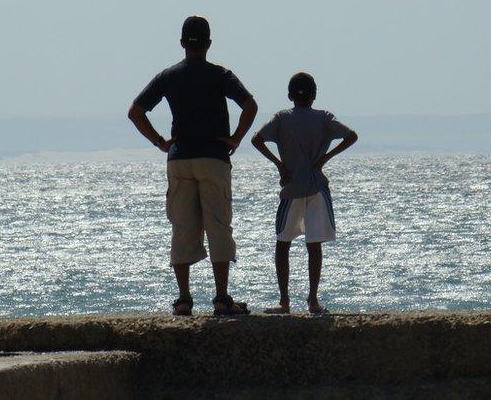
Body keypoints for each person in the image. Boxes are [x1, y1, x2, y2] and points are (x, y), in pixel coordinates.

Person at [128, 16, 258, 316]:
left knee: (183, 227)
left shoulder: (169, 76)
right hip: (213, 156)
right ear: (209, 43)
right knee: (219, 225)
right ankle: (222, 298)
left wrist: (161, 141)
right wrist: (236, 138)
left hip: (180, 157)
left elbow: (135, 111)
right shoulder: (220, 75)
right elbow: (250, 105)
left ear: (183, 43)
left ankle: (184, 298)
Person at [251, 72, 357, 314]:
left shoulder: (282, 118)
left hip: (292, 187)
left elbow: (257, 140)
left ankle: (284, 301)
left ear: (289, 95)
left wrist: (279, 164)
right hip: (316, 186)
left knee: (283, 243)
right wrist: (324, 158)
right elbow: (351, 136)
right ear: (314, 95)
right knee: (314, 244)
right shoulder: (323, 118)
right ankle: (313, 300)